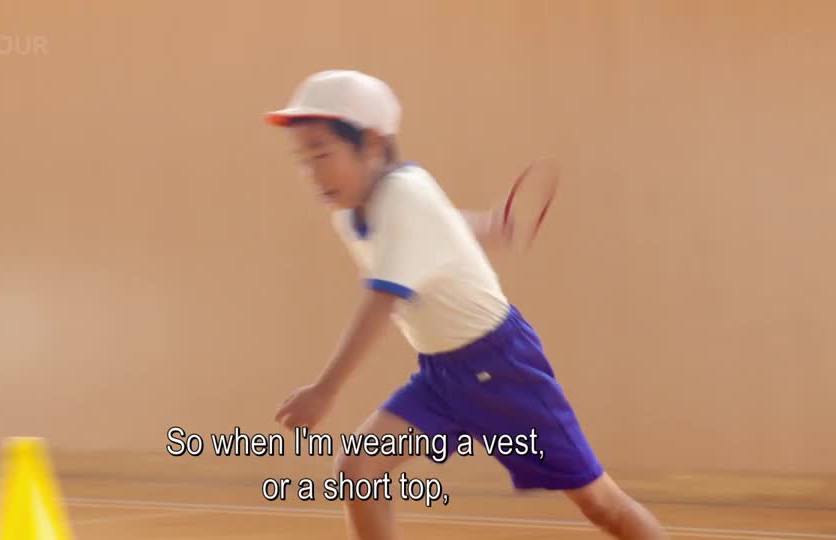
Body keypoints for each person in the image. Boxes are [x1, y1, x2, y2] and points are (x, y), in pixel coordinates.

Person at [265, 70, 667, 540]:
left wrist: (325, 390)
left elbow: (382, 299)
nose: (311, 170)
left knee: (601, 504)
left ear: (372, 143)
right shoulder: (354, 214)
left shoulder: (406, 194)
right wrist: (486, 227)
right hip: (443, 375)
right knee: (359, 471)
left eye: (321, 153)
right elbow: (441, 225)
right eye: (301, 158)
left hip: (503, 367)